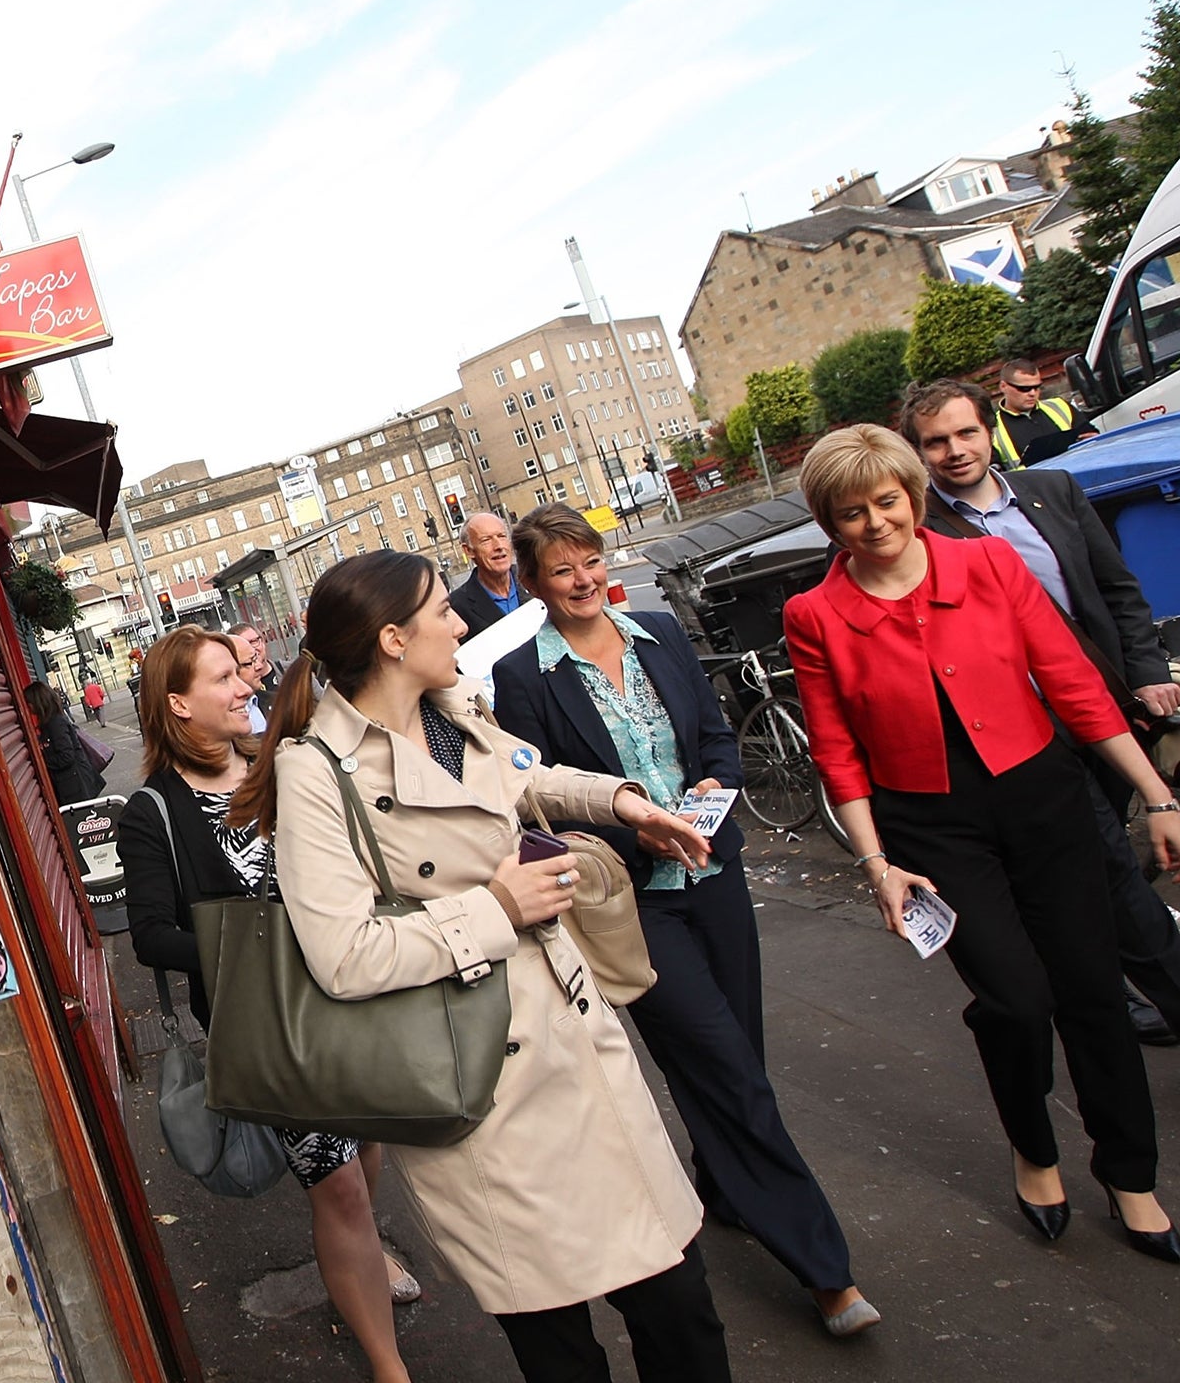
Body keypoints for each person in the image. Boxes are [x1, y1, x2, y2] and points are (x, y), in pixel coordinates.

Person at [234, 551, 733, 1382]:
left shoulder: (452, 707)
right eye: (442, 612)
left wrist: (623, 802)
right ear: (393, 639)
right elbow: (345, 958)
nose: (462, 624)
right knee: (560, 1345)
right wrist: (493, 911)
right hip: (475, 1078)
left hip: (574, 1044)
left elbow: (526, 775)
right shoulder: (314, 773)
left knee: (680, 1307)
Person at [784, 425, 1180, 1262]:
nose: (875, 524)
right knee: (1013, 1000)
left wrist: (1154, 792)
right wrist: (875, 864)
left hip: (1045, 799)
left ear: (913, 495)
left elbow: (1072, 681)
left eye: (887, 501)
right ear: (829, 521)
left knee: (1092, 993)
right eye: (850, 513)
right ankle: (1034, 1148)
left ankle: (1129, 1172)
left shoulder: (988, 564)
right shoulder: (814, 615)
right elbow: (836, 747)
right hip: (932, 828)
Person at [492, 505, 877, 1338]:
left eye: (590, 559)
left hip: (716, 872)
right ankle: (825, 1271)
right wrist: (638, 823)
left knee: (740, 1055)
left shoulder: (660, 632)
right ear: (532, 586)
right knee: (725, 1070)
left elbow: (713, 740)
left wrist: (708, 799)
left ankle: (730, 1187)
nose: (584, 578)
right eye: (562, 570)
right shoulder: (524, 677)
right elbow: (540, 799)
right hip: (635, 905)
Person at [117, 627, 418, 1383]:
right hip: (267, 1030)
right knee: (339, 1182)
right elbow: (152, 937)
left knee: (368, 1147)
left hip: (346, 995)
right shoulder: (151, 813)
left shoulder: (283, 767)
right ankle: (389, 1365)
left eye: (241, 672)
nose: (245, 685)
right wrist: (260, 946)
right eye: (223, 678)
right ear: (179, 704)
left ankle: (362, 1249)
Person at [902, 378, 1180, 1045]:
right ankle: (1139, 993)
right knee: (1110, 868)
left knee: (1095, 865)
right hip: (1028, 736)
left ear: (989, 430)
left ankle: (1094, 979)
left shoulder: (1052, 492)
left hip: (1106, 712)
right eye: (935, 442)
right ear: (919, 451)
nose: (955, 451)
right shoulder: (920, 531)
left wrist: (1144, 674)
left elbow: (1116, 590)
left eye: (966, 433)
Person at [991, 356, 1095, 467]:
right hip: (1032, 483)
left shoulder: (1059, 406)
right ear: (1003, 386)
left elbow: (1091, 435)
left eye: (1037, 387)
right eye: (1024, 389)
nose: (1032, 393)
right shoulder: (992, 429)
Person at [25, 681, 105, 805]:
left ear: (38, 702)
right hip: (74, 786)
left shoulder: (55, 723)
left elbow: (67, 756)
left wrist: (42, 762)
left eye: (29, 702)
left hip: (76, 789)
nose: (28, 706)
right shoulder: (51, 722)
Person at [447, 512, 524, 638]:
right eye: (486, 540)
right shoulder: (457, 608)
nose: (498, 546)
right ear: (469, 550)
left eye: (502, 536)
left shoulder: (535, 579)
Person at [227, 621, 279, 732]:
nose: (259, 666)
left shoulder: (274, 702)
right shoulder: (222, 721)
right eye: (250, 662)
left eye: (255, 641)